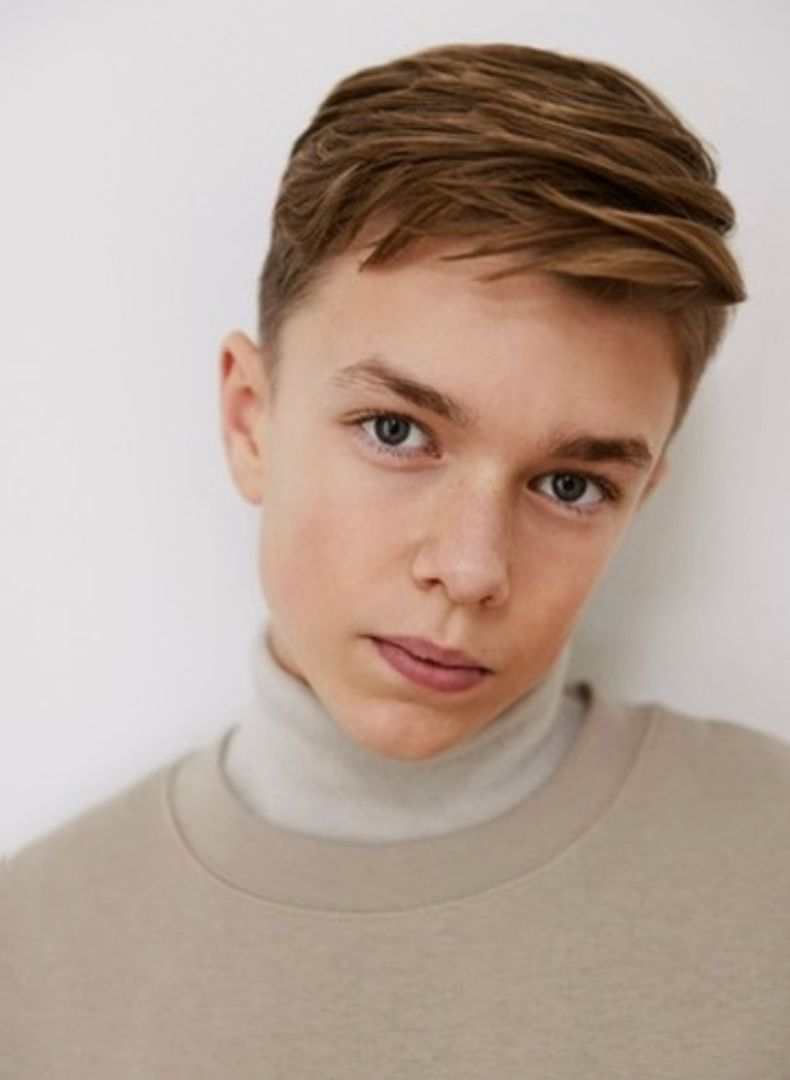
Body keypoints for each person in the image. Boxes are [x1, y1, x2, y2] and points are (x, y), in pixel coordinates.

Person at [3, 41, 789, 1078]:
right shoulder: (29, 959)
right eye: (396, 432)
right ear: (250, 420)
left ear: (639, 499)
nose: (469, 570)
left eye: (569, 485)